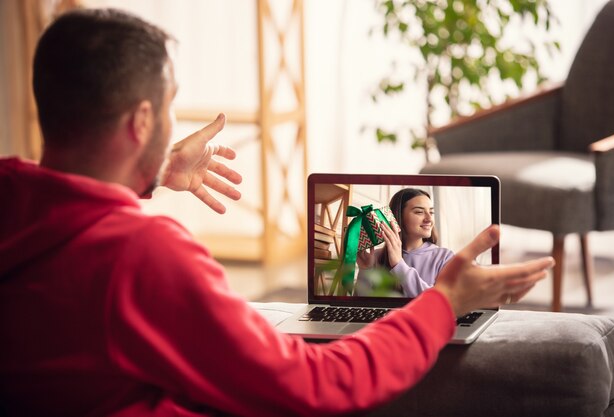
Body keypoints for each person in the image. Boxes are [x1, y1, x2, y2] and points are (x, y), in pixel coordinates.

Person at [0, 8, 554, 417]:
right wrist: (445, 304)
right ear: (141, 121)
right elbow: (319, 385)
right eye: (168, 108)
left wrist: (150, 168)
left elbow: (63, 198)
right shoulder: (142, 256)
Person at [357, 188, 454, 297]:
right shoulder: (375, 256)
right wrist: (364, 270)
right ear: (398, 217)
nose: (429, 219)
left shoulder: (445, 257)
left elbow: (440, 301)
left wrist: (399, 264)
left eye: (431, 212)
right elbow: (361, 307)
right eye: (419, 212)